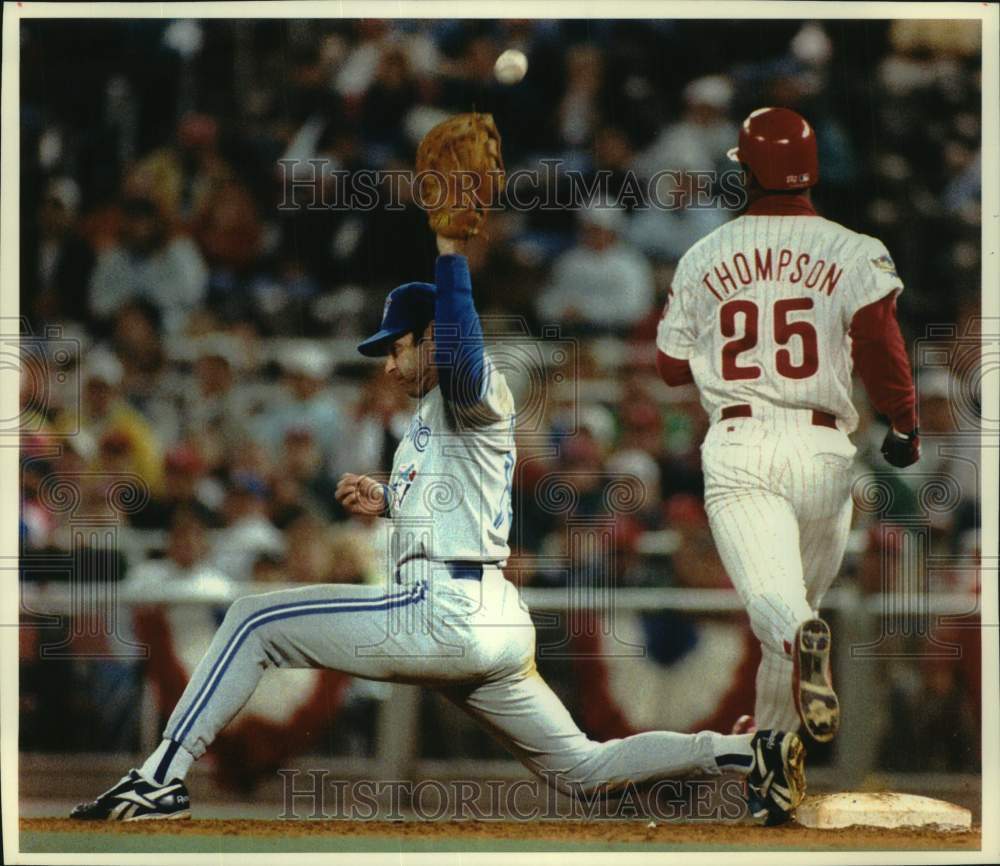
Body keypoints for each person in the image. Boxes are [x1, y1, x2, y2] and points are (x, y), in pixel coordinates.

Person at [70, 232, 805, 827]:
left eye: (399, 345)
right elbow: (459, 502)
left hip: (442, 611)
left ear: (432, 337)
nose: (389, 362)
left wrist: (452, 253)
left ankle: (159, 777)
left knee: (251, 617)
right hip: (485, 618)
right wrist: (390, 502)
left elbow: (461, 351)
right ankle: (743, 752)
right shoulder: (432, 419)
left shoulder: (470, 386)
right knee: (581, 770)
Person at [655, 107, 919, 745]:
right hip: (827, 448)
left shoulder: (704, 253)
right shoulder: (857, 248)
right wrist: (905, 422)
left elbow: (668, 368)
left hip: (743, 443)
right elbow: (881, 344)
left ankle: (802, 640)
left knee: (779, 610)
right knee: (793, 605)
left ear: (746, 171)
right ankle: (770, 765)